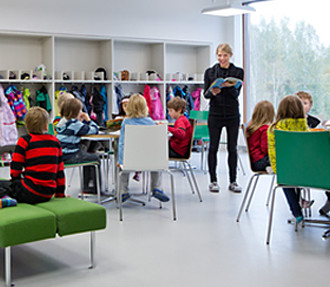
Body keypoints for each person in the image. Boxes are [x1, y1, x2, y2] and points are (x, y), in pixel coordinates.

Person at [0, 106, 65, 204]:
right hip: (48, 193)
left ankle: (7, 199)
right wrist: (60, 194)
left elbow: (16, 168)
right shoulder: (56, 142)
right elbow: (60, 172)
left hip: (29, 191)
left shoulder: (24, 141)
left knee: (4, 185)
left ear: (27, 126)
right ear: (47, 126)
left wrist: (15, 182)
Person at [203, 43, 244, 193]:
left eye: (225, 55)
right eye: (219, 55)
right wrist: (212, 92)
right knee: (213, 147)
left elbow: (236, 93)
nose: (222, 58)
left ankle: (233, 181)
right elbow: (205, 94)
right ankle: (213, 181)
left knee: (232, 148)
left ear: (230, 56)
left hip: (232, 114)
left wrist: (229, 86)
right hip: (215, 113)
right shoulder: (210, 72)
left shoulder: (238, 71)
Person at [118, 93, 170, 203]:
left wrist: (121, 161)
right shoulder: (151, 122)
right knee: (156, 162)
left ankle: (123, 191)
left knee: (122, 166)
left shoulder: (126, 122)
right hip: (149, 161)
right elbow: (155, 145)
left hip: (131, 160)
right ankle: (156, 187)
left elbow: (122, 143)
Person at [267, 95, 309, 223]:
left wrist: (276, 168)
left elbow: (272, 152)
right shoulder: (304, 127)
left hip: (285, 171)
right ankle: (302, 202)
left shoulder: (274, 128)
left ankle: (297, 213)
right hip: (307, 171)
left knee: (286, 181)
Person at [56, 97, 101, 194]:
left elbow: (78, 129)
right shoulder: (75, 124)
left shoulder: (62, 121)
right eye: (80, 110)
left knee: (87, 155)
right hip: (71, 155)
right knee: (95, 158)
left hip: (61, 155)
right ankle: (95, 189)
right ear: (75, 112)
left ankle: (87, 187)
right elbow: (94, 129)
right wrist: (88, 119)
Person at [295, 91, 330, 215]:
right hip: (302, 164)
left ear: (310, 106)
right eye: (298, 103)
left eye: (305, 103)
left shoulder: (315, 122)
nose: (301, 106)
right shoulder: (289, 123)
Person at [246, 100, 274, 172]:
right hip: (261, 161)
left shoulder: (252, 128)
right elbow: (265, 149)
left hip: (254, 161)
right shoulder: (265, 129)